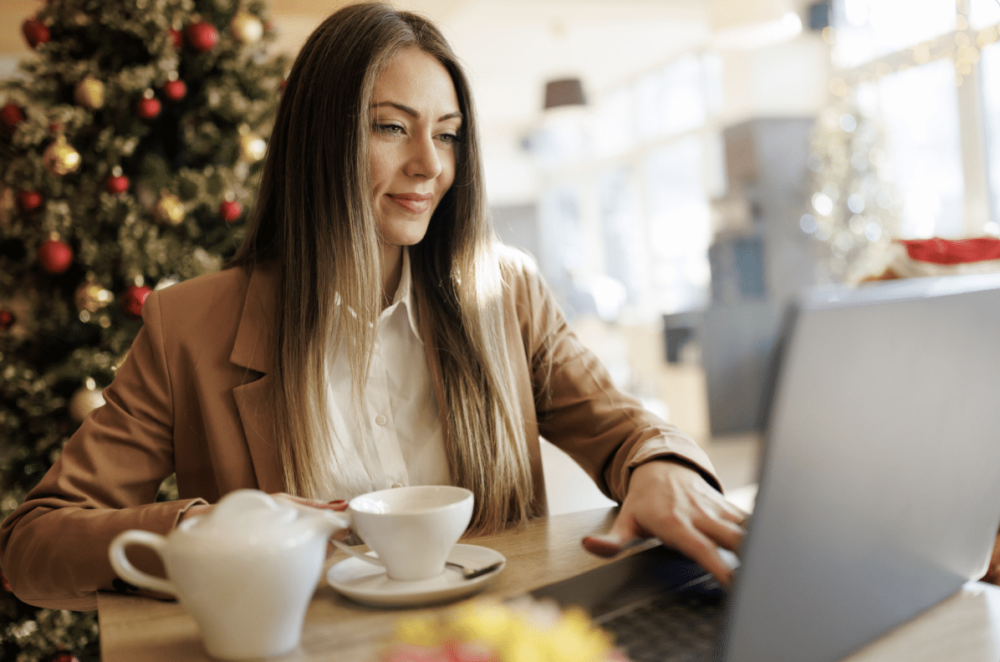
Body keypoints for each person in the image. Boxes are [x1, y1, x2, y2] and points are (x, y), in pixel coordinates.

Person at [0, 2, 747, 611]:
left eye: (448, 136)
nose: (431, 165)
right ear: (321, 141)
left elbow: (624, 429)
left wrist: (661, 465)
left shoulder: (506, 291)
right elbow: (31, 546)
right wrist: (201, 530)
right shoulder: (189, 327)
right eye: (392, 127)